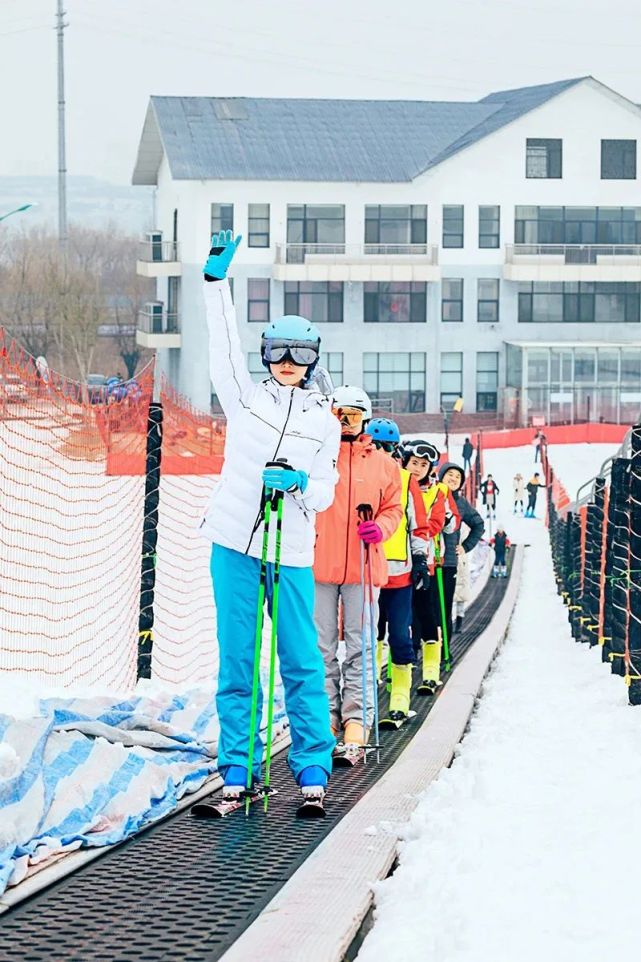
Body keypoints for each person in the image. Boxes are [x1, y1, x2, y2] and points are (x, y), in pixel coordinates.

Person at [201, 230, 339, 805]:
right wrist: (215, 284)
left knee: (301, 660)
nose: (288, 364)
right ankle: (238, 765)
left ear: (313, 359)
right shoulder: (244, 398)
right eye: (278, 353)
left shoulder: (325, 420)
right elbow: (222, 349)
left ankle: (311, 766)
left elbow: (328, 492)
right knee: (238, 659)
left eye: (300, 354)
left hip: (292, 551)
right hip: (234, 541)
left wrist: (303, 483)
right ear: (266, 356)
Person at [313, 387, 403, 751]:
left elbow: (394, 508)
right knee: (319, 646)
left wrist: (379, 527)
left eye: (352, 415)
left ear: (364, 418)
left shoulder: (384, 464)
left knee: (361, 644)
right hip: (320, 564)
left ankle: (357, 716)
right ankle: (325, 715)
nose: (345, 421)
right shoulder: (318, 457)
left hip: (364, 564)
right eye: (339, 414)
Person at [368, 418, 429, 726]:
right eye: (377, 446)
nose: (383, 453)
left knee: (400, 636)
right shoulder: (359, 475)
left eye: (389, 448)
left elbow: (419, 526)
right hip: (363, 572)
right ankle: (369, 691)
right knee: (368, 635)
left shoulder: (407, 481)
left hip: (398, 573)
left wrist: (420, 561)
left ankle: (400, 697)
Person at [399, 440, 459, 694]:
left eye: (423, 465)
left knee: (427, 612)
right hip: (398, 562)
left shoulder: (438, 490)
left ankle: (431, 669)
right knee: (401, 616)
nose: (418, 469)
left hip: (427, 562)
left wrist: (422, 528)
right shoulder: (398, 483)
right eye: (414, 463)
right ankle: (399, 665)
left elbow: (446, 522)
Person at [439, 462, 485, 640]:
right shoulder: (430, 495)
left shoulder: (461, 503)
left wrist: (465, 546)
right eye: (450, 474)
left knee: (445, 607)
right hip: (426, 560)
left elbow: (478, 524)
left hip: (448, 562)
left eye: (458, 477)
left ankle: (445, 650)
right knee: (426, 609)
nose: (453, 479)